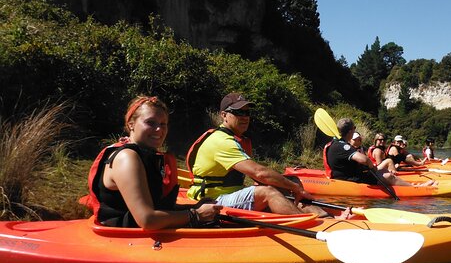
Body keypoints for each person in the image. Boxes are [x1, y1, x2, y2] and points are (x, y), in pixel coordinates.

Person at [87, 96, 222, 229]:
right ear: (131, 124)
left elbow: (159, 207)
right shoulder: (127, 158)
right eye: (150, 122)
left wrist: (195, 207)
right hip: (123, 239)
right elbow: (147, 219)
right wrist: (196, 214)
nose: (159, 129)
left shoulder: (146, 155)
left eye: (163, 124)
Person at [186, 92, 329, 215]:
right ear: (224, 115)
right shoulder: (222, 141)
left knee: (287, 183)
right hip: (213, 198)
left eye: (247, 113)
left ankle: (324, 217)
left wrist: (290, 186)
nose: (245, 117)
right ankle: (309, 226)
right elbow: (259, 173)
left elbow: (261, 176)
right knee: (268, 192)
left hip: (230, 193)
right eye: (238, 112)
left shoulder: (234, 139)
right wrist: (296, 188)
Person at [325, 118, 434, 187]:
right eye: (354, 128)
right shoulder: (342, 146)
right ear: (350, 131)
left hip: (349, 175)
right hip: (349, 179)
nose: (354, 130)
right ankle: (416, 188)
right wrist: (372, 168)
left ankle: (409, 185)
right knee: (388, 176)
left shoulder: (336, 143)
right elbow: (364, 159)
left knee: (384, 172)